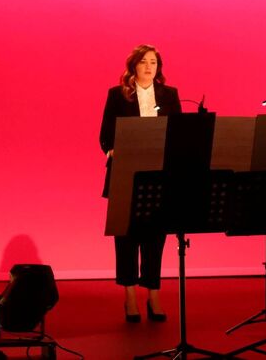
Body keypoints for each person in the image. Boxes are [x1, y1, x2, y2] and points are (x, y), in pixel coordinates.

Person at [99, 44, 182, 323]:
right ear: (133, 65)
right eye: (144, 62)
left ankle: (154, 296)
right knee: (126, 237)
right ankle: (130, 297)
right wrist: (112, 149)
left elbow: (179, 132)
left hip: (159, 174)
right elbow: (105, 135)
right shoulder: (118, 94)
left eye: (154, 63)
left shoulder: (170, 95)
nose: (149, 67)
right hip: (126, 172)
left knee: (155, 237)